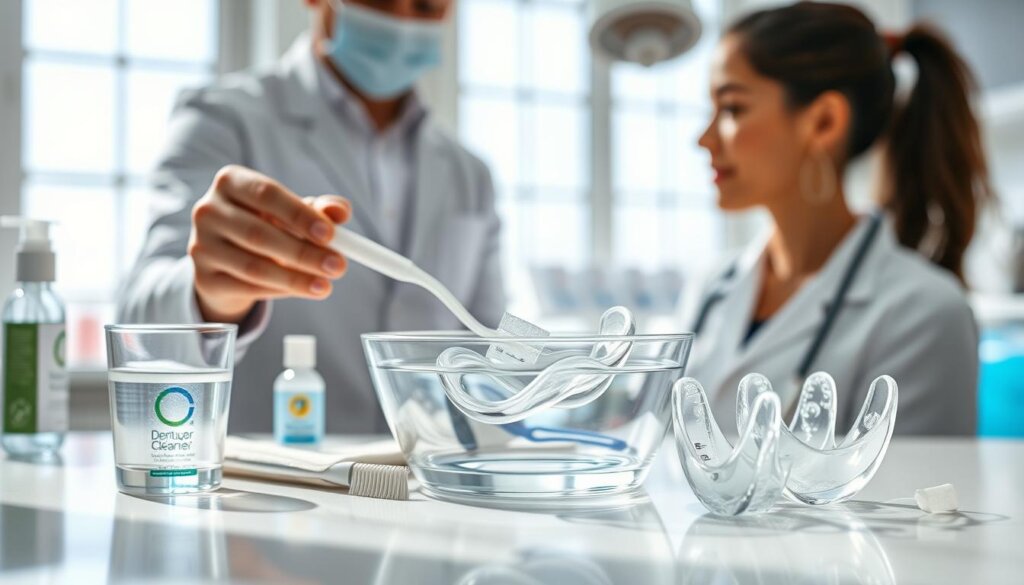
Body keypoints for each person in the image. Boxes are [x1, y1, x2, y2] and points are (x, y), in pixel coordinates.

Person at [118, 0, 506, 433]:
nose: (401, 21)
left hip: (424, 487)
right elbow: (138, 322)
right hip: (276, 489)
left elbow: (486, 349)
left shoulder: (469, 173)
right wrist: (210, 296)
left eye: (426, 6)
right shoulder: (223, 120)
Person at [685, 1, 993, 436]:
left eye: (732, 108)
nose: (704, 138)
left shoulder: (924, 314)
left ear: (824, 121)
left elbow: (914, 501)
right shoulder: (710, 287)